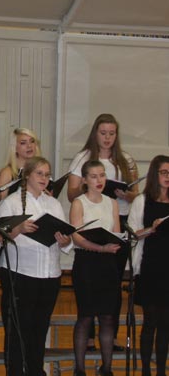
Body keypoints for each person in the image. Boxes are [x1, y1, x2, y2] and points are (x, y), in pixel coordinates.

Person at [0, 156, 71, 376]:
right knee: (19, 324)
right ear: (27, 175)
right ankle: (15, 375)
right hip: (21, 271)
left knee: (40, 325)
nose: (44, 178)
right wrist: (18, 229)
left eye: (47, 174)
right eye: (39, 173)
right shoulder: (11, 203)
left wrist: (64, 240)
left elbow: (65, 238)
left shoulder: (54, 205)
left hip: (49, 272)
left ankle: (36, 372)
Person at [67, 113, 138, 351]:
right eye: (103, 132)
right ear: (95, 133)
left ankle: (110, 334)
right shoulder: (83, 158)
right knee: (89, 283)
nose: (107, 138)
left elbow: (135, 193)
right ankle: (88, 335)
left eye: (112, 133)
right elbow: (70, 193)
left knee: (113, 281)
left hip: (117, 219)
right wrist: (92, 190)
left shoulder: (124, 159)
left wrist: (124, 195)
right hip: (90, 220)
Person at [70, 160, 121, 376]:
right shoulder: (79, 203)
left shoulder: (112, 203)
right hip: (87, 263)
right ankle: (79, 370)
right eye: (93, 176)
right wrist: (100, 247)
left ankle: (107, 368)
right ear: (84, 180)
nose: (99, 180)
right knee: (86, 316)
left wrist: (112, 245)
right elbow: (77, 237)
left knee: (109, 317)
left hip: (108, 262)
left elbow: (117, 232)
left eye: (102, 176)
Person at [127, 155, 169, 376]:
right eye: (164, 173)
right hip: (150, 267)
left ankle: (162, 372)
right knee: (151, 321)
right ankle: (145, 372)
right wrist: (151, 229)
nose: (168, 178)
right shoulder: (142, 201)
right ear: (155, 174)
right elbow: (133, 235)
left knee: (166, 324)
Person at [0, 128, 41, 199]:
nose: (29, 146)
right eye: (23, 143)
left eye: (32, 141)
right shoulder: (7, 173)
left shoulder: (41, 171)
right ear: (15, 148)